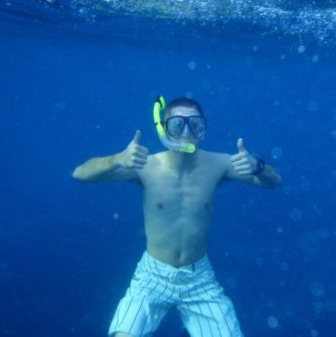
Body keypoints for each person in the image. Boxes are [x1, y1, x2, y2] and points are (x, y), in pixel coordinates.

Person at [72, 96, 281, 337]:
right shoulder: (144, 166)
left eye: (195, 125)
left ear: (204, 130)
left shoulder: (220, 164)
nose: (186, 132)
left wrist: (258, 166)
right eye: (177, 125)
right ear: (163, 128)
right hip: (151, 275)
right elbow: (80, 173)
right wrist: (118, 159)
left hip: (199, 278)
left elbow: (275, 182)